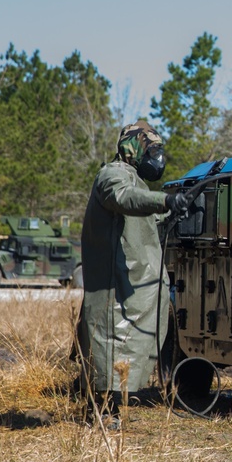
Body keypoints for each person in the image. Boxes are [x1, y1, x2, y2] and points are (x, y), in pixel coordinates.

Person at [74, 121, 188, 427]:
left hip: (135, 284)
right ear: (134, 148)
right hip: (117, 285)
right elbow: (124, 199)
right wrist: (164, 200)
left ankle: (107, 406)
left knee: (126, 344)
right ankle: (101, 411)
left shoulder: (133, 178)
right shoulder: (113, 175)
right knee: (112, 341)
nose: (157, 158)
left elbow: (142, 211)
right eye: (151, 150)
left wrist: (174, 208)